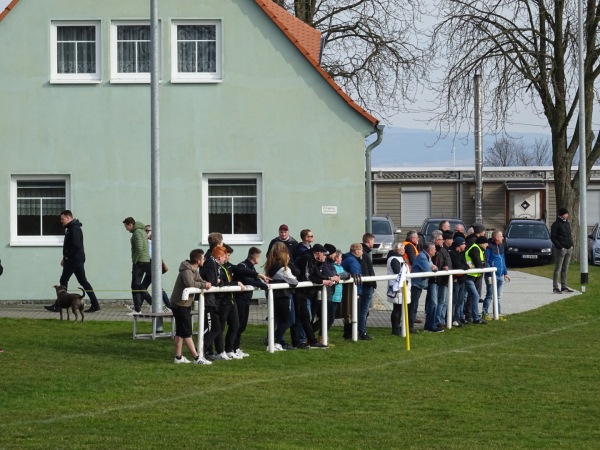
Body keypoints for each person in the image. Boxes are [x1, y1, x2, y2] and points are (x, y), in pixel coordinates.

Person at [44, 210, 101, 313]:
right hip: (77, 259)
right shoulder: (72, 228)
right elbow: (71, 246)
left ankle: (59, 306)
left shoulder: (74, 228)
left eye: (62, 219)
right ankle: (95, 304)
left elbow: (75, 245)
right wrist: (64, 257)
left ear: (68, 217)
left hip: (73, 259)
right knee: (83, 281)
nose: (61, 221)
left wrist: (67, 257)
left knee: (63, 281)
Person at [170, 249, 212, 365]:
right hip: (179, 304)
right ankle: (196, 357)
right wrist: (204, 285)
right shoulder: (186, 271)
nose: (204, 260)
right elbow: (191, 284)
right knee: (187, 332)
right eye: (203, 258)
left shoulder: (194, 270)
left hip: (185, 304)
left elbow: (199, 280)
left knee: (180, 331)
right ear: (198, 260)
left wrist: (207, 283)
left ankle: (178, 358)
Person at [294, 244, 333, 348]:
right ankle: (299, 341)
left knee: (305, 317)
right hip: (298, 292)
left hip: (304, 293)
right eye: (324, 254)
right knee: (299, 318)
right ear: (318, 253)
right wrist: (323, 281)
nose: (325, 257)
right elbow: (307, 277)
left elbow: (317, 275)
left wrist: (329, 278)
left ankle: (309, 340)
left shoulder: (313, 261)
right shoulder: (306, 258)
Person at [234, 247, 269, 356]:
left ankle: (236, 348)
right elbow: (247, 280)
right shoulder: (242, 266)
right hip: (239, 299)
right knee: (237, 325)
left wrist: (263, 282)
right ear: (256, 257)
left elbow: (255, 279)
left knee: (243, 325)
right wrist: (263, 285)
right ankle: (232, 348)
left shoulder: (251, 268)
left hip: (246, 300)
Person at [265, 247, 298, 350]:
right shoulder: (284, 269)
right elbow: (294, 282)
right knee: (287, 320)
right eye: (287, 257)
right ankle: (275, 340)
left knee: (280, 319)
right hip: (283, 295)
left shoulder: (272, 268)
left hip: (274, 296)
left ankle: (275, 341)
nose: (288, 259)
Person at [200, 245, 227, 360]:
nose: (226, 259)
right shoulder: (211, 264)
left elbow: (219, 281)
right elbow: (212, 282)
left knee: (216, 327)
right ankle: (202, 351)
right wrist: (217, 281)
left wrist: (219, 281)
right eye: (225, 256)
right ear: (220, 256)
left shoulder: (216, 265)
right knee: (213, 328)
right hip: (208, 301)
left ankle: (206, 351)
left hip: (213, 301)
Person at [123, 217, 153, 313]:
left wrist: (135, 261)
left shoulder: (137, 233)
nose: (126, 229)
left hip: (140, 262)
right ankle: (148, 304)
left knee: (135, 286)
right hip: (144, 261)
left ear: (130, 224)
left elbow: (139, 248)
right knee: (138, 285)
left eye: (126, 226)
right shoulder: (141, 231)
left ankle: (139, 309)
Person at [410, 243, 439, 332]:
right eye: (434, 249)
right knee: (413, 306)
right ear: (430, 251)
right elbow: (428, 270)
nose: (435, 251)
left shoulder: (427, 256)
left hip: (420, 284)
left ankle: (410, 326)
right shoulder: (422, 257)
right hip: (415, 284)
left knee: (414, 305)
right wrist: (433, 268)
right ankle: (410, 327)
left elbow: (435, 268)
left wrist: (434, 268)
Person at [483, 230, 510, 320]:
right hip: (491, 275)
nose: (503, 238)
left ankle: (498, 314)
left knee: (498, 296)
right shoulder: (489, 247)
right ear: (496, 238)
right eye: (501, 236)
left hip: (500, 275)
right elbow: (486, 260)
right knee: (490, 295)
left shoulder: (502, 246)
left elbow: (503, 260)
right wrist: (491, 272)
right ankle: (485, 313)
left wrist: (505, 273)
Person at [144, 224, 172, 310]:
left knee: (144, 287)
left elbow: (150, 255)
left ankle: (165, 305)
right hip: (152, 266)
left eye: (146, 231)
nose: (144, 233)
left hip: (153, 266)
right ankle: (167, 305)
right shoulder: (151, 242)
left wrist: (148, 235)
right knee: (143, 287)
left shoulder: (150, 242)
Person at [464, 236, 489, 324]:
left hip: (475, 276)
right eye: (486, 243)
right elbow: (479, 264)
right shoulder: (475, 249)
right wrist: (482, 265)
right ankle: (475, 317)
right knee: (475, 296)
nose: (487, 245)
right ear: (482, 243)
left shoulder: (480, 249)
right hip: (468, 276)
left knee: (472, 296)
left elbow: (484, 263)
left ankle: (469, 315)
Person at [357, 233, 377, 340]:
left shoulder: (364, 253)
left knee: (364, 310)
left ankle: (361, 331)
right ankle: (362, 332)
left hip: (367, 285)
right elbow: (366, 270)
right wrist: (371, 283)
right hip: (366, 286)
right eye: (373, 241)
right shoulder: (364, 254)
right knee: (364, 310)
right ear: (369, 241)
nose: (373, 243)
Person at [551, 208, 574, 293]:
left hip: (569, 248)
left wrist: (571, 245)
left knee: (565, 268)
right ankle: (555, 287)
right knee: (558, 268)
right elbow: (553, 237)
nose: (567, 215)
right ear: (561, 214)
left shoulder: (567, 223)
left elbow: (569, 235)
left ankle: (564, 286)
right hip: (561, 249)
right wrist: (560, 247)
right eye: (565, 214)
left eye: (567, 214)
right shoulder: (556, 224)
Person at [387, 242, 408, 336]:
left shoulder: (400, 258)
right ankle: (395, 329)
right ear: (397, 250)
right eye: (402, 249)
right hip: (396, 286)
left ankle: (398, 327)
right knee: (397, 308)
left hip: (401, 285)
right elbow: (398, 272)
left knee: (399, 308)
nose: (404, 250)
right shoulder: (394, 259)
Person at [449, 236, 468, 327]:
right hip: (456, 281)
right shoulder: (452, 253)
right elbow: (457, 266)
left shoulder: (462, 253)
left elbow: (464, 264)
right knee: (454, 300)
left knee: (460, 300)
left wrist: (465, 267)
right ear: (459, 245)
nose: (465, 245)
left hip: (462, 280)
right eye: (463, 244)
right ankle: (452, 318)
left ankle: (457, 317)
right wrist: (465, 267)